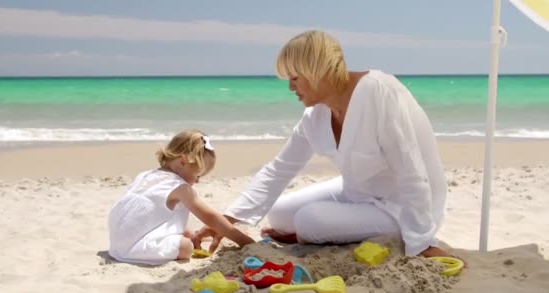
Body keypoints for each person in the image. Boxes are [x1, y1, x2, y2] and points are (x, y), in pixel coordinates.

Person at [193, 30, 454, 259]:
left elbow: (411, 170)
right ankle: (322, 233)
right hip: (358, 192)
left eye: (294, 78)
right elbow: (279, 170)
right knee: (280, 214)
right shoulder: (315, 115)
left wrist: (422, 242)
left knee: (309, 220)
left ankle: (320, 233)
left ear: (315, 71)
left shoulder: (378, 91)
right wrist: (227, 219)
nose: (290, 88)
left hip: (402, 206)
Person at [108, 129, 254, 265]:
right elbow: (210, 217)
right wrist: (243, 241)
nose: (197, 181)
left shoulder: (146, 175)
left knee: (187, 232)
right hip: (134, 248)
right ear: (183, 161)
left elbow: (154, 214)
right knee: (186, 247)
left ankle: (203, 236)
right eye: (198, 175)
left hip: (117, 242)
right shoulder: (181, 188)